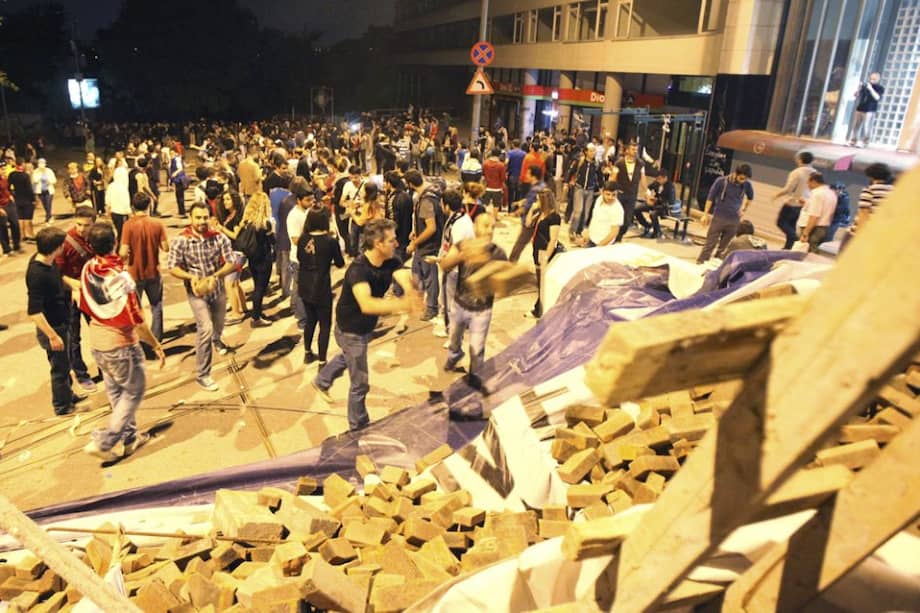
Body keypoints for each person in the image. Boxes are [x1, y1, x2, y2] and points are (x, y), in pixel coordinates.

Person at [312, 219, 420, 430]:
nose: (396, 244)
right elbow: (367, 304)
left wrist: (411, 292)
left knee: (348, 356)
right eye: (391, 240)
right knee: (360, 382)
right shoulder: (358, 270)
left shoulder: (390, 260)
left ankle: (322, 380)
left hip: (364, 327)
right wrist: (400, 304)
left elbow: (402, 274)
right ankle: (358, 426)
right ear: (378, 244)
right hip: (351, 328)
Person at [80, 222, 165, 462]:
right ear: (114, 242)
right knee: (134, 391)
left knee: (117, 393)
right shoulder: (120, 277)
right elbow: (136, 319)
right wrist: (155, 344)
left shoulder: (88, 268)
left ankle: (130, 439)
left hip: (98, 343)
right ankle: (105, 441)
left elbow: (84, 301)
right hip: (120, 344)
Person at [167, 202, 238, 391]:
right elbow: (172, 267)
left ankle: (217, 339)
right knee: (204, 329)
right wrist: (191, 277)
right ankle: (203, 374)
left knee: (219, 324)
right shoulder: (181, 240)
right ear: (191, 218)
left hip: (217, 290)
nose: (202, 221)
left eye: (205, 217)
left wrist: (216, 276)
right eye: (198, 217)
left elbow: (231, 261)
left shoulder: (219, 237)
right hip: (196, 293)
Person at [441, 212, 507, 377]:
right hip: (459, 305)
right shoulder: (463, 245)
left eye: (492, 227)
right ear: (475, 228)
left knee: (477, 350)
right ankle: (454, 356)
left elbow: (505, 284)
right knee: (454, 341)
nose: (489, 230)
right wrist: (463, 256)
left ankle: (475, 380)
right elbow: (444, 265)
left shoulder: (497, 253)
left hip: (482, 311)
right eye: (486, 226)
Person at [27, 227, 83, 415]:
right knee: (59, 369)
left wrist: (75, 286)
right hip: (53, 328)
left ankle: (67, 395)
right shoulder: (37, 273)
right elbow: (34, 312)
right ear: (57, 248)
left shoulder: (48, 262)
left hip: (62, 320)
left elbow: (59, 277)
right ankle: (62, 406)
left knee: (65, 363)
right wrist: (52, 336)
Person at [54, 208, 99, 393]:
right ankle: (81, 374)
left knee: (99, 332)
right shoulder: (66, 243)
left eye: (86, 225)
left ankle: (105, 368)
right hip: (71, 297)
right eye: (79, 224)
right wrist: (76, 286)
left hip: (92, 294)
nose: (81, 229)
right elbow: (58, 274)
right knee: (74, 338)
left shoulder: (95, 238)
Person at [298, 206, 345, 365]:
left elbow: (300, 258)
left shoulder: (302, 239)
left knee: (310, 320)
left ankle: (307, 352)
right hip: (321, 286)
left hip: (304, 284)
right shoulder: (330, 241)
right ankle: (322, 361)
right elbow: (340, 263)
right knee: (325, 324)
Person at [120, 192, 169, 344]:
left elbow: (123, 251)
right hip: (153, 271)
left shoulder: (128, 225)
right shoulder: (157, 224)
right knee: (157, 306)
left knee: (136, 308)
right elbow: (166, 247)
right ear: (149, 205)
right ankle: (156, 339)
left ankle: (141, 338)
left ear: (133, 207)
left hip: (134, 273)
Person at [434, 189, 475, 339]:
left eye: (441, 203)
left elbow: (456, 250)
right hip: (457, 267)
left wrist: (443, 263)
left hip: (455, 269)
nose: (440, 206)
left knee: (451, 304)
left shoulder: (459, 223)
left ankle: (453, 335)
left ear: (447, 205)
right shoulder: (460, 218)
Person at [696, 165, 754, 264]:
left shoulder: (747, 185)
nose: (743, 181)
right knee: (710, 243)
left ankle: (715, 265)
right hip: (719, 217)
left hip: (734, 220)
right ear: (736, 174)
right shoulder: (721, 181)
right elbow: (710, 198)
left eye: (745, 179)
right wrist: (705, 214)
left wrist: (744, 209)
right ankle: (701, 262)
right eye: (741, 178)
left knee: (724, 247)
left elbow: (750, 197)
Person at [405, 169, 443, 321]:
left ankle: (432, 307)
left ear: (410, 184)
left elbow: (431, 228)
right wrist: (415, 231)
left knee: (429, 277)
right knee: (417, 273)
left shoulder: (426, 200)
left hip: (428, 246)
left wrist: (415, 242)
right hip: (423, 244)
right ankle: (419, 303)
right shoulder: (428, 193)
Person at [237, 191, 275, 327]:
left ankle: (257, 312)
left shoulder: (246, 222)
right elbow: (273, 241)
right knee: (260, 288)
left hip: (252, 259)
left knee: (256, 286)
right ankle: (256, 317)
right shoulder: (265, 224)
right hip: (264, 258)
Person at [526, 188, 561, 319]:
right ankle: (541, 307)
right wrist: (532, 209)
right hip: (536, 250)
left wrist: (546, 256)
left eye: (538, 200)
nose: (536, 202)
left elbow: (553, 239)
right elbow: (528, 223)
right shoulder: (541, 214)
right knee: (540, 281)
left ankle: (538, 309)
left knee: (542, 283)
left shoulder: (554, 217)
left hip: (544, 252)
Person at [286, 182, 317, 332]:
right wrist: (313, 236)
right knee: (300, 292)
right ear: (299, 200)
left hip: (309, 259)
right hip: (298, 260)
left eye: (312, 200)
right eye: (308, 200)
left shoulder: (308, 211)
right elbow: (295, 240)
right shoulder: (294, 216)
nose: (311, 203)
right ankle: (302, 320)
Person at [215, 190, 247, 324]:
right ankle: (243, 307)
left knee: (229, 284)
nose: (225, 202)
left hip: (237, 253)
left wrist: (221, 228)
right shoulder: (230, 215)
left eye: (228, 199)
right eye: (224, 200)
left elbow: (235, 235)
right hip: (233, 252)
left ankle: (236, 313)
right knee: (235, 283)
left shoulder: (238, 217)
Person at [844, 163, 894, 249]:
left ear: (871, 176)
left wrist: (859, 236)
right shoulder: (894, 191)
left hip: (861, 232)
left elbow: (863, 214)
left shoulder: (869, 190)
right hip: (881, 233)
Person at [773, 152, 815, 249]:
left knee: (781, 223)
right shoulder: (815, 173)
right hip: (804, 204)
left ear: (800, 160)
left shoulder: (797, 172)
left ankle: (796, 238)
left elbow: (789, 189)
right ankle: (788, 248)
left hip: (792, 203)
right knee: (791, 225)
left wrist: (777, 195)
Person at [509, 165, 546, 262]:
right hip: (539, 221)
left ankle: (511, 263)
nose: (526, 175)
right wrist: (521, 202)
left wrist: (514, 213)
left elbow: (527, 208)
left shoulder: (535, 189)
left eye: (528, 173)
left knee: (519, 244)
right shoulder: (541, 186)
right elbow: (531, 200)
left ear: (533, 176)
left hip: (530, 221)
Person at [611, 142, 646, 242]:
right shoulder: (619, 163)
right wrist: (610, 189)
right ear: (627, 151)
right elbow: (613, 177)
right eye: (632, 149)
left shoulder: (640, 164)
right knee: (618, 216)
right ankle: (615, 237)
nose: (635, 151)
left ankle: (620, 234)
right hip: (621, 193)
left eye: (636, 149)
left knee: (627, 220)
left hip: (632, 194)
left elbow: (642, 178)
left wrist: (646, 191)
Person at [564, 145, 600, 240]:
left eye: (594, 151)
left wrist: (602, 188)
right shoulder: (580, 161)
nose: (593, 153)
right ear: (586, 152)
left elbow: (600, 176)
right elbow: (571, 171)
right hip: (579, 188)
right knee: (578, 211)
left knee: (586, 213)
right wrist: (566, 183)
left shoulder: (596, 164)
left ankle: (579, 231)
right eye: (591, 151)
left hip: (590, 190)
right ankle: (572, 231)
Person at [798, 172, 837, 253]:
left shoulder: (817, 194)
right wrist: (806, 203)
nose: (808, 185)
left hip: (814, 229)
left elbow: (814, 215)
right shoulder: (831, 193)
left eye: (808, 182)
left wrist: (805, 233)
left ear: (814, 181)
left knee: (807, 255)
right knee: (815, 253)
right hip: (824, 228)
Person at [635, 170, 675, 239]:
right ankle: (647, 225)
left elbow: (671, 201)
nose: (658, 180)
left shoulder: (670, 186)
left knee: (653, 214)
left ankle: (657, 231)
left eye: (660, 179)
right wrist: (648, 196)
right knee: (636, 209)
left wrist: (657, 200)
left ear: (665, 178)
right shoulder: (656, 183)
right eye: (657, 179)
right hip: (654, 203)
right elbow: (648, 188)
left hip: (663, 206)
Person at [848, 73, 884, 147]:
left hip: (870, 110)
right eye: (870, 78)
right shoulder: (865, 86)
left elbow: (877, 98)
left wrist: (871, 89)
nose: (871, 80)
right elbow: (856, 95)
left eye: (874, 79)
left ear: (878, 79)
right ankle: (853, 141)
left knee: (866, 127)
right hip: (860, 108)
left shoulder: (880, 88)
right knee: (855, 126)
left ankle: (865, 142)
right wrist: (859, 88)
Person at [584, 182, 624, 247]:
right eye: (608, 194)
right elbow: (594, 218)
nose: (610, 197)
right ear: (602, 192)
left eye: (614, 195)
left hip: (605, 245)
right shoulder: (598, 200)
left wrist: (600, 246)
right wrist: (588, 235)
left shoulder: (617, 209)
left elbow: (614, 232)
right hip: (592, 240)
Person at [9, 160, 38, 242]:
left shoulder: (12, 175)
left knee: (20, 218)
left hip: (17, 199)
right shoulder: (25, 176)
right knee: (28, 218)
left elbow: (9, 186)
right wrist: (33, 199)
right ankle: (30, 235)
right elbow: (29, 189)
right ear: (22, 165)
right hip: (27, 199)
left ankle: (22, 236)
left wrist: (11, 195)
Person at [108, 159, 131, 241]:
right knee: (123, 233)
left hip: (114, 213)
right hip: (122, 214)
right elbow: (126, 203)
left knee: (119, 231)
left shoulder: (111, 186)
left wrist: (108, 213)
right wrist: (130, 214)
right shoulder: (123, 187)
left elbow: (108, 201)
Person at [31, 158, 57, 224]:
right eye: (40, 163)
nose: (41, 165)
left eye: (42, 163)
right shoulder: (36, 171)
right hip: (40, 191)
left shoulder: (49, 171)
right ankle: (49, 216)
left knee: (48, 204)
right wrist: (39, 176)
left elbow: (54, 180)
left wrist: (49, 181)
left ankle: (48, 218)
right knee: (44, 205)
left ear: (45, 164)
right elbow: (34, 180)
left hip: (49, 191)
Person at [482, 148, 507, 212]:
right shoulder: (501, 165)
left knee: (485, 204)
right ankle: (495, 218)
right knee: (496, 204)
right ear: (499, 155)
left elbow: (483, 175)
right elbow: (503, 178)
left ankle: (484, 217)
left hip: (487, 187)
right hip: (497, 188)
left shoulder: (485, 163)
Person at [169, 145, 189, 215]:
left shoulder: (177, 159)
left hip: (179, 179)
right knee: (179, 195)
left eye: (172, 153)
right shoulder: (175, 159)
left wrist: (174, 173)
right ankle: (181, 210)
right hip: (177, 179)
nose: (171, 155)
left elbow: (180, 168)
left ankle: (182, 211)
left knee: (180, 195)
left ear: (176, 153)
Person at [506, 139, 525, 204]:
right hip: (520, 176)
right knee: (518, 194)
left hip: (512, 175)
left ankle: (510, 210)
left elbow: (506, 162)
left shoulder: (510, 153)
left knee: (510, 193)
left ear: (513, 145)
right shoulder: (524, 153)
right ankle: (517, 209)